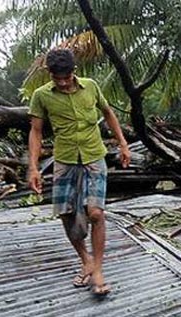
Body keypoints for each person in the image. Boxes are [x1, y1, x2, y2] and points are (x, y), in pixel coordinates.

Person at [27, 48, 131, 296]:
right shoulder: (41, 96)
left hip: (94, 155)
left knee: (95, 213)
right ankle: (86, 260)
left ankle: (98, 271)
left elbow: (107, 112)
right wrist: (33, 167)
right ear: (49, 73)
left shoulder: (91, 86)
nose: (62, 82)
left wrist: (123, 143)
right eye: (56, 77)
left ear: (74, 71)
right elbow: (36, 132)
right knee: (67, 215)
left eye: (66, 77)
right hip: (64, 160)